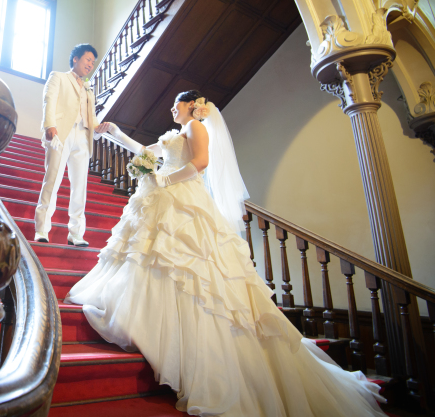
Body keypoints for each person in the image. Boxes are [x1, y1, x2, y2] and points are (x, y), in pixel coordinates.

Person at [65, 90, 386, 416]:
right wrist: (117, 133)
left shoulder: (195, 128)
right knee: (156, 259)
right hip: (164, 195)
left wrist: (166, 181)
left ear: (191, 105)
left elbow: (201, 163)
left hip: (184, 199)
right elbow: (146, 153)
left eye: (176, 103)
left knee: (191, 268)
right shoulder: (175, 134)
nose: (171, 108)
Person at [35, 44, 110, 247]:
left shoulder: (88, 88)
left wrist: (98, 127)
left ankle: (76, 233)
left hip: (83, 136)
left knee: (80, 187)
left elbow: (90, 115)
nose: (91, 65)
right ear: (75, 59)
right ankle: (42, 228)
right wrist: (49, 125)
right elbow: (48, 101)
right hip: (61, 133)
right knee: (53, 180)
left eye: (93, 62)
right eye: (88, 60)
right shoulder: (58, 77)